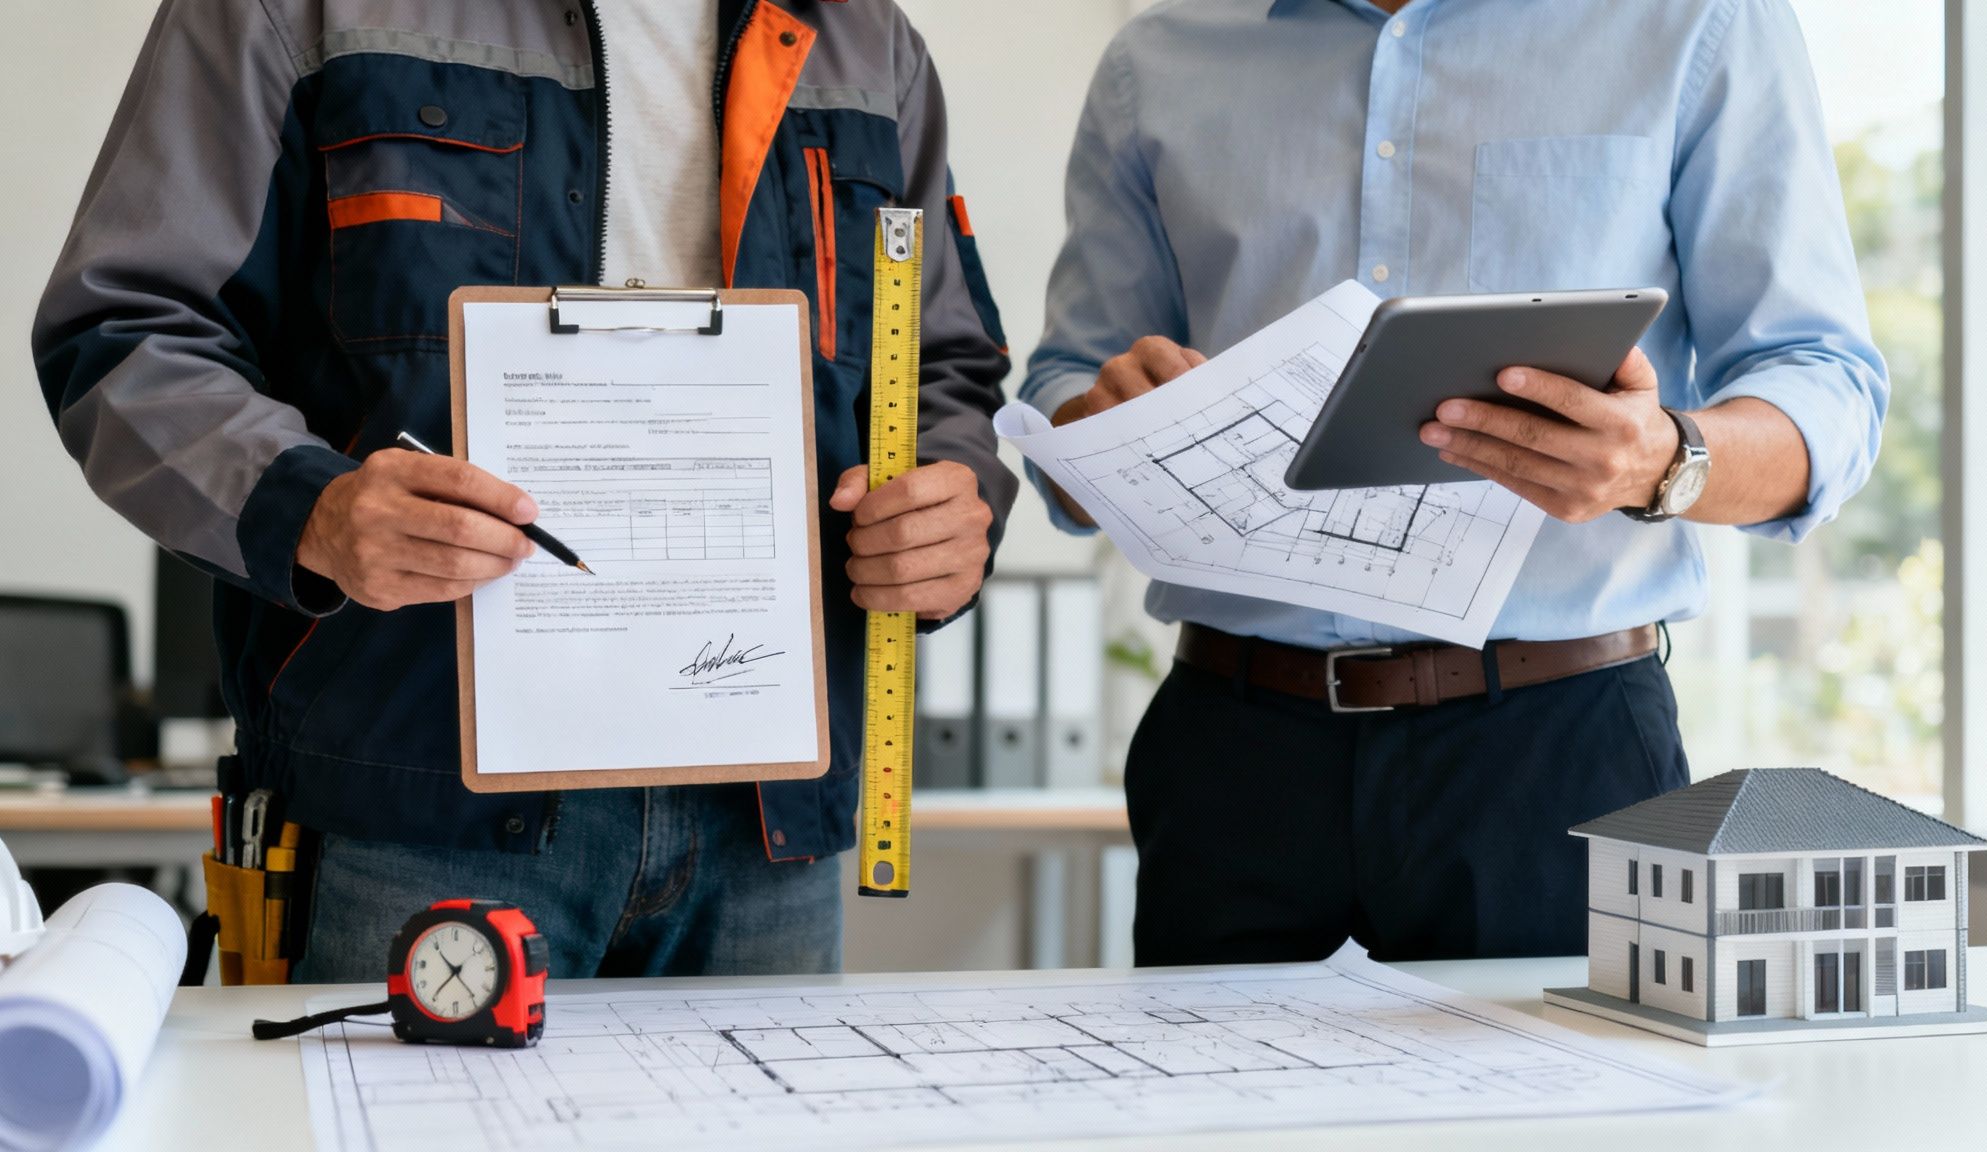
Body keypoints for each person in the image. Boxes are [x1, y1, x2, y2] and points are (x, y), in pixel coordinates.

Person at [34, 0, 1016, 981]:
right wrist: (313, 512)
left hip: (763, 825)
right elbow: (127, 336)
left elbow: (943, 370)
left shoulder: (865, 39)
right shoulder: (292, 11)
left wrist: (951, 501)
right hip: (412, 815)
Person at [1022, 0, 1886, 964]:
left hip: (1558, 753)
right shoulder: (1160, 55)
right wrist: (1098, 423)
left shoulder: (1697, 24)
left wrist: (1662, 458)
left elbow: (1825, 387)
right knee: (1211, 1117)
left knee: (1575, 1117)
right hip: (1234, 753)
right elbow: (1068, 382)